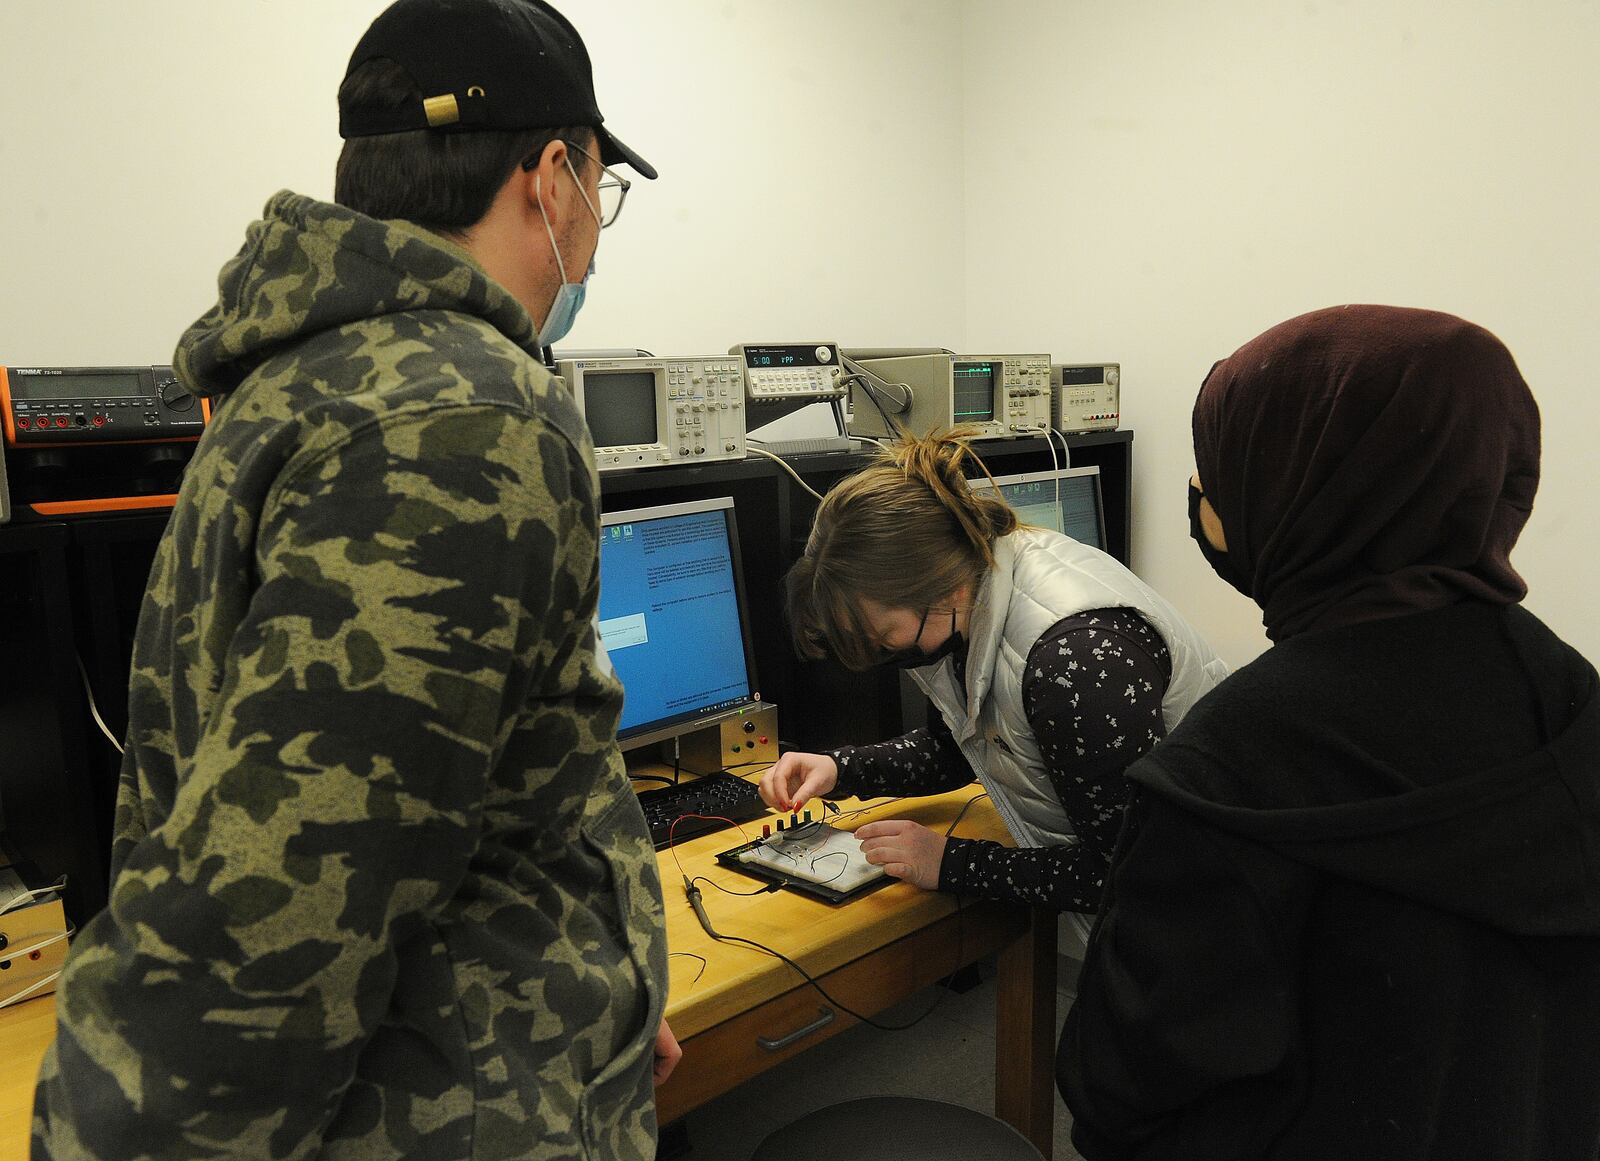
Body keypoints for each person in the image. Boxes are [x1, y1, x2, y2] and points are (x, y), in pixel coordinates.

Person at [32, 2, 678, 1158]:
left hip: (470, 1044)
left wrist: (596, 981)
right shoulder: (470, 415)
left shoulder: (311, 374)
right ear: (551, 181)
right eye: (599, 189)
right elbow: (291, 893)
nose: (596, 232)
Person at [1059, 304, 1600, 1159]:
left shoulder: (1228, 762)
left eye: (1224, 472)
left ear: (1301, 488)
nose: (1203, 502)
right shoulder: (1567, 689)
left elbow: (1123, 1088)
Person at [761, 431, 1228, 925]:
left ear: (942, 589)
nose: (886, 654)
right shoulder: (982, 575)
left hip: (1213, 911)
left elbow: (1134, 872)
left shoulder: (1075, 664)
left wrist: (949, 862)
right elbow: (975, 745)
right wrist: (842, 769)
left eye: (884, 638)